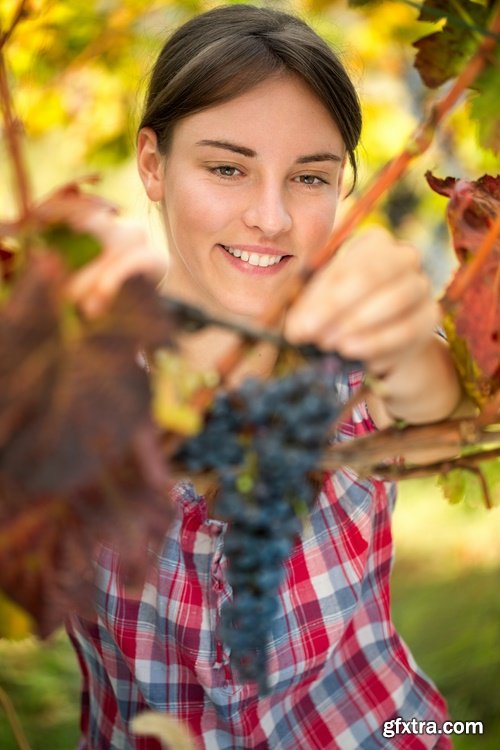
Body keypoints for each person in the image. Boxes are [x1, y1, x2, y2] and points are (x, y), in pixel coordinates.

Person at [65, 4, 464, 749]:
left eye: (310, 177)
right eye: (226, 168)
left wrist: (405, 334)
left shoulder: (353, 354)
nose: (272, 218)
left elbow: (434, 418)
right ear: (153, 165)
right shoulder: (70, 380)